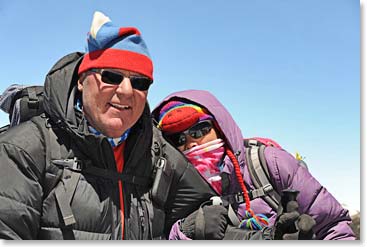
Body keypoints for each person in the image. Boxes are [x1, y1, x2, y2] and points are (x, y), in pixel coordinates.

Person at [0, 11, 166, 240]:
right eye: (111, 76)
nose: (126, 91)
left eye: (140, 82)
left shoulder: (153, 151)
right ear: (81, 80)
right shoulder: (22, 151)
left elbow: (200, 207)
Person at [152, 89, 356, 240]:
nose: (191, 143)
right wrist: (183, 231)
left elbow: (333, 226)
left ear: (219, 127)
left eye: (199, 130)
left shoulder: (269, 163)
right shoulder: (170, 186)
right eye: (178, 139)